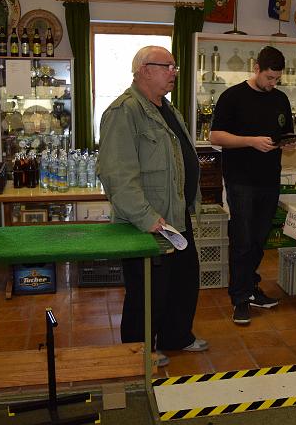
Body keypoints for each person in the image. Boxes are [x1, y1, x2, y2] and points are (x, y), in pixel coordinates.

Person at [97, 46, 207, 367]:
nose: (174, 72)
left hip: (176, 215)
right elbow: (117, 174)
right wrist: (146, 217)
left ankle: (176, 336)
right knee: (147, 290)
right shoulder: (124, 111)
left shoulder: (166, 108)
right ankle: (139, 350)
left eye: (175, 66)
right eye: (167, 66)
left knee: (183, 281)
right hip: (147, 220)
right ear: (144, 70)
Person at [210, 46, 295, 324]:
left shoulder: (280, 99)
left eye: (277, 79)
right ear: (256, 68)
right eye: (269, 77)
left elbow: (285, 134)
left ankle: (251, 287)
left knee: (259, 240)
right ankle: (239, 298)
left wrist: (288, 143)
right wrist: (251, 141)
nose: (273, 84)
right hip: (241, 180)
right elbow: (215, 137)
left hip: (269, 179)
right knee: (243, 240)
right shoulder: (232, 96)